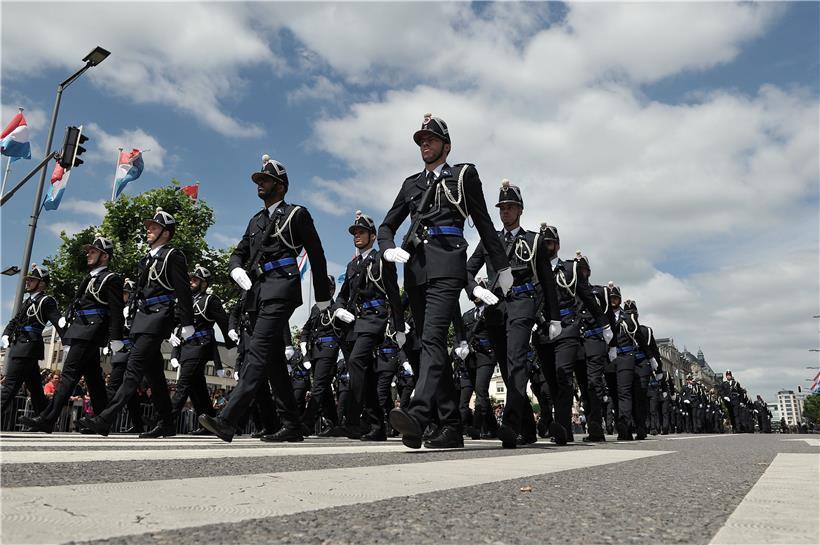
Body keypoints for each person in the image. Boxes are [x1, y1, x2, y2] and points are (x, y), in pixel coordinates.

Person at [379, 114, 512, 449]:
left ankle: (418, 414)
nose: (425, 144)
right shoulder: (411, 184)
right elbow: (387, 225)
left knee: (433, 338)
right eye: (421, 140)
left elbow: (483, 222)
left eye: (432, 139)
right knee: (430, 345)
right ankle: (451, 426)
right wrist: (387, 248)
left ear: (446, 146)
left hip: (448, 264)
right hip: (416, 270)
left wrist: (502, 267)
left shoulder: (463, 176)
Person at [199, 156, 331, 443]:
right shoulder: (256, 220)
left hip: (282, 287)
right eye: (258, 180)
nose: (260, 184)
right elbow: (240, 252)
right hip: (257, 290)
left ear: (281, 186)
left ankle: (228, 420)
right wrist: (235, 268)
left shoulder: (296, 214)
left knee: (257, 352)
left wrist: (322, 297)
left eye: (266, 180)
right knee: (272, 361)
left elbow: (317, 254)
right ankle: (291, 424)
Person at [80, 208, 194, 438]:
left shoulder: (173, 256)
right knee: (155, 376)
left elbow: (183, 290)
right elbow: (139, 292)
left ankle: (105, 419)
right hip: (142, 318)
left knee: (132, 370)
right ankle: (167, 423)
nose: (149, 230)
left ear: (166, 233)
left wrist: (187, 322)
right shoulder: (146, 259)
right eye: (149, 227)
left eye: (154, 227)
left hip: (159, 316)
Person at [466, 182, 559, 449]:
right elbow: (468, 270)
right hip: (495, 307)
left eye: (510, 207)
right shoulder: (489, 240)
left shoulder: (533, 241)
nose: (505, 211)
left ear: (520, 210)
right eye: (502, 207)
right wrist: (475, 290)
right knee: (507, 370)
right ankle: (528, 428)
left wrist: (554, 317)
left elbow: (547, 282)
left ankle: (510, 424)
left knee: (517, 360)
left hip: (521, 303)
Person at [22, 235, 124, 433]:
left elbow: (116, 310)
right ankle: (103, 420)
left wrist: (116, 337)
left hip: (92, 330)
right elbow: (78, 302)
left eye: (93, 251)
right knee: (93, 378)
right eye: (89, 251)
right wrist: (66, 317)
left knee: (68, 374)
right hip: (80, 328)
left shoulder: (111, 279)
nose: (88, 254)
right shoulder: (89, 278)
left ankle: (48, 418)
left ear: (105, 256)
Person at [332, 210, 404, 440]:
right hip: (357, 322)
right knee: (368, 374)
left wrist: (399, 327)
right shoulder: (352, 265)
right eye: (355, 232)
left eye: (362, 232)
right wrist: (338, 309)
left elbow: (393, 292)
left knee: (355, 362)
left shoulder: (381, 259)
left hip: (376, 318)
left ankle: (354, 420)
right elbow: (342, 295)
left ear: (373, 236)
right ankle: (377, 425)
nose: (357, 235)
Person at [536, 225, 610, 445]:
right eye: (543, 244)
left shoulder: (569, 269)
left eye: (550, 243)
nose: (546, 247)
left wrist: (604, 324)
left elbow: (586, 296)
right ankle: (563, 428)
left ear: (557, 245)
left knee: (563, 376)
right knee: (551, 381)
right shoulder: (533, 269)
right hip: (543, 330)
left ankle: (562, 428)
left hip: (567, 328)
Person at [167, 265, 235, 436]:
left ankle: (165, 422)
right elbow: (174, 319)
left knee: (183, 385)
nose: (191, 281)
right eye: (191, 279)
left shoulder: (210, 300)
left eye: (195, 279)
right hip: (186, 346)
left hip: (200, 345)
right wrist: (168, 333)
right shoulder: (186, 300)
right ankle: (209, 422)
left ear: (204, 283)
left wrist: (231, 343)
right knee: (196, 387)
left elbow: (224, 321)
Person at [1, 265, 64, 419]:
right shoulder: (28, 301)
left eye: (32, 280)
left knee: (10, 385)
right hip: (22, 345)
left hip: (27, 347)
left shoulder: (46, 301)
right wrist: (6, 334)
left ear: (41, 283)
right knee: (35, 388)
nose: (27, 282)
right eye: (28, 280)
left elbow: (57, 321)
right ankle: (44, 418)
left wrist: (68, 341)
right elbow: (15, 321)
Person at [299, 275, 342, 434]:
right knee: (324, 388)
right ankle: (334, 424)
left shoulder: (337, 307)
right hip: (315, 352)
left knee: (317, 386)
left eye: (328, 288)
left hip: (329, 350)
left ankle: (307, 423)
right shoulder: (315, 308)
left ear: (333, 290)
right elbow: (306, 329)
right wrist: (304, 348)